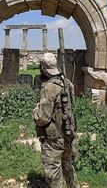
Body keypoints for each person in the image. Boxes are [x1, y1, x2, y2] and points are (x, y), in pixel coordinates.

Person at [33, 52, 77, 188]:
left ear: (43, 68)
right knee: (67, 166)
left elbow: (42, 119)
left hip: (54, 139)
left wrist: (35, 110)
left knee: (53, 174)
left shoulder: (49, 88)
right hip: (68, 133)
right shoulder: (66, 82)